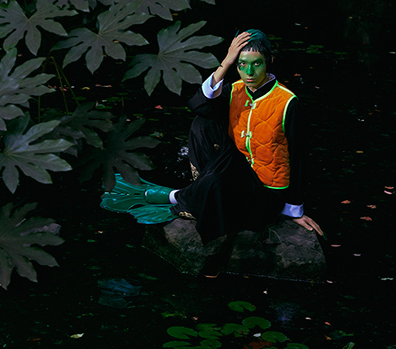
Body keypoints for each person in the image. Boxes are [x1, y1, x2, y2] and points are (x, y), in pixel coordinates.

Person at [101, 29, 323, 243]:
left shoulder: (288, 102)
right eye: (241, 64)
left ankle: (179, 196)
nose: (249, 72)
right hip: (236, 173)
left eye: (256, 64)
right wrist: (225, 62)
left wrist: (293, 209)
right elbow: (199, 105)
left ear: (269, 61)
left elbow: (300, 157)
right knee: (202, 123)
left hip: (266, 190)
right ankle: (203, 188)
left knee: (218, 179)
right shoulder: (235, 89)